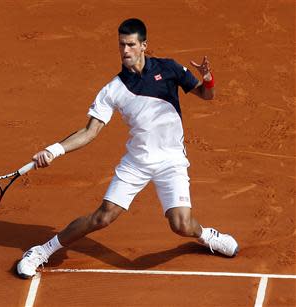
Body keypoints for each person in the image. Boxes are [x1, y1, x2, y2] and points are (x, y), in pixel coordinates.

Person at [16, 18, 239, 279]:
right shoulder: (113, 89)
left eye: (131, 45)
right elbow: (89, 131)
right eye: (121, 45)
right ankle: (41, 251)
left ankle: (206, 236)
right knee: (102, 217)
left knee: (181, 225)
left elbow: (206, 95)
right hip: (137, 162)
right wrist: (54, 150)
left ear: (144, 45)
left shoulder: (169, 69)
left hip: (171, 161)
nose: (125, 51)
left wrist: (208, 79)